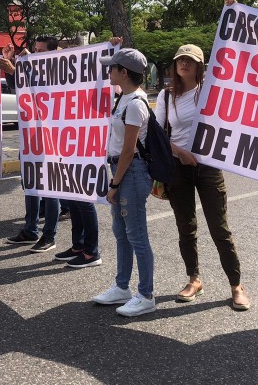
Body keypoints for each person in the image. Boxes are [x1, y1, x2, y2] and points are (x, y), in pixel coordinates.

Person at [154, 38, 250, 311]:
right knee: (186, 227)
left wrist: (232, 15)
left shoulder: (210, 92)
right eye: (180, 59)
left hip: (208, 168)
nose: (184, 63)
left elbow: (235, 71)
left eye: (190, 60)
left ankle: (236, 286)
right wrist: (180, 153)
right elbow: (158, 135)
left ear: (200, 66)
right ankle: (194, 279)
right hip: (178, 168)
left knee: (220, 229)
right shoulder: (165, 95)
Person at [92, 48, 156, 317]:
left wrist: (115, 184)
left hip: (130, 173)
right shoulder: (123, 99)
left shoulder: (136, 104)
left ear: (124, 72)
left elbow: (129, 150)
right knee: (121, 234)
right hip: (121, 170)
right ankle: (122, 286)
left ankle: (146, 294)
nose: (109, 71)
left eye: (112, 67)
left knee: (137, 235)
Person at [0, 36, 61, 252]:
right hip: (31, 139)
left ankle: (49, 235)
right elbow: (20, 89)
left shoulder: (57, 73)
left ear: (53, 53)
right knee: (31, 187)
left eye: (41, 50)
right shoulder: (35, 69)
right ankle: (30, 229)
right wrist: (11, 69)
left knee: (51, 189)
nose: (36, 54)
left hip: (52, 142)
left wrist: (14, 70)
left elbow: (39, 91)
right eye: (35, 49)